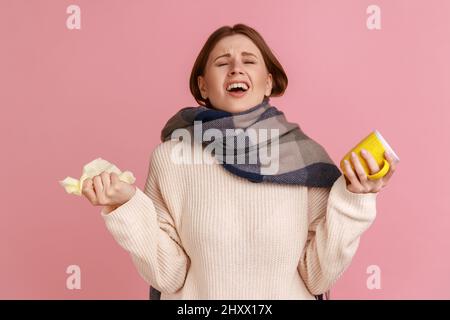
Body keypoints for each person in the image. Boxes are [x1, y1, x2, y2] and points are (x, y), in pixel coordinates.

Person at [82, 24, 397, 300]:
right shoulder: (171, 160)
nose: (235, 68)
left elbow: (317, 277)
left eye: (249, 61)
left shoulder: (306, 160)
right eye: (222, 63)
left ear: (268, 82)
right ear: (203, 85)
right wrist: (127, 206)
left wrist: (356, 199)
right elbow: (169, 276)